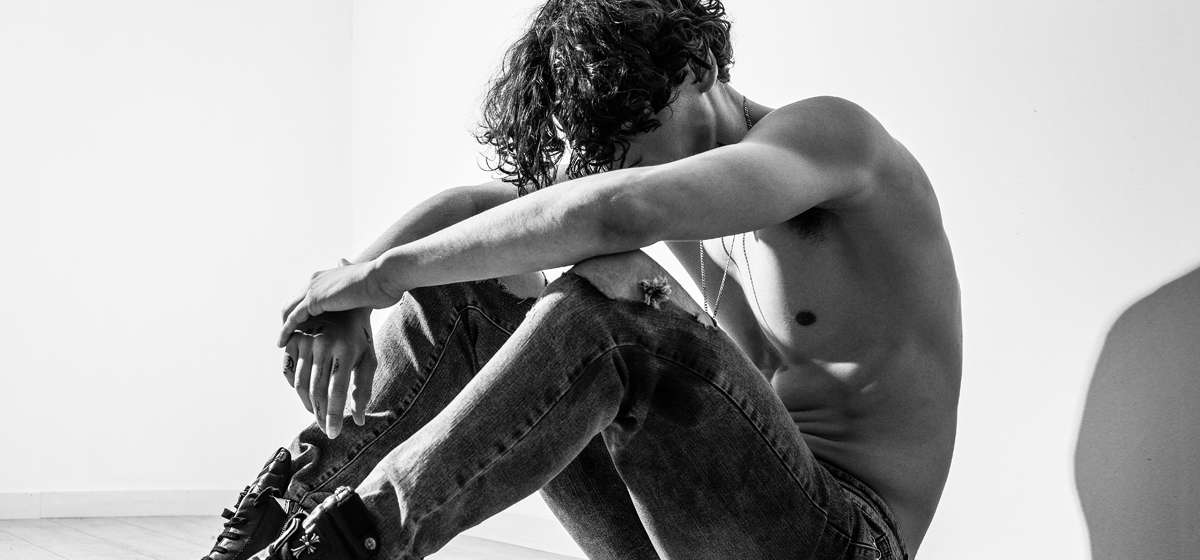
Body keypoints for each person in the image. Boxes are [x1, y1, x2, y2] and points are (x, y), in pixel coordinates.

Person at [201, 1, 961, 559]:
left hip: (844, 537)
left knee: (616, 297)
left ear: (699, 67)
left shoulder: (830, 136)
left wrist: (378, 276)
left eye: (631, 135)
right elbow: (481, 213)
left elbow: (622, 208)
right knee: (471, 287)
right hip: (691, 521)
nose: (620, 163)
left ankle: (355, 541)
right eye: (606, 148)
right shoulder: (652, 170)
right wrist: (353, 287)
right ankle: (285, 517)